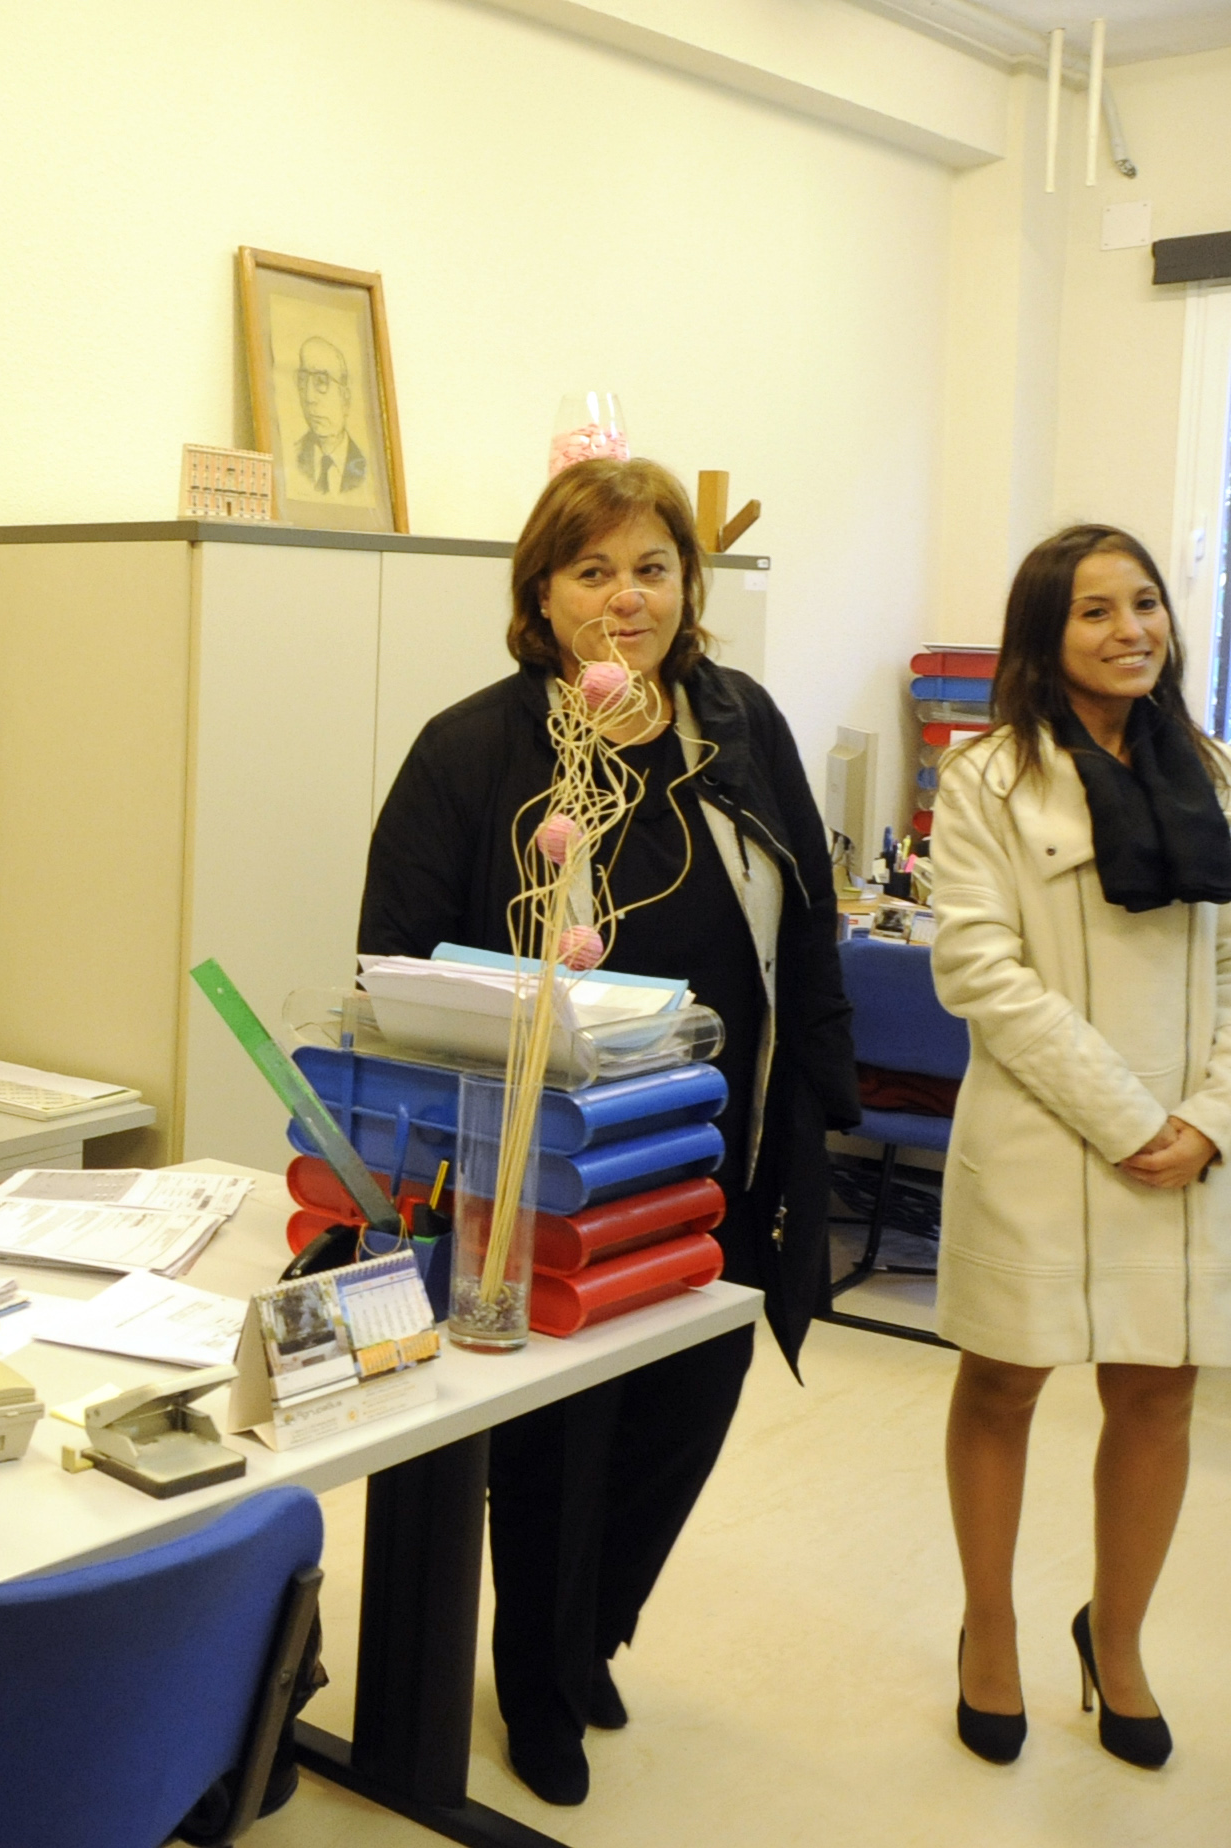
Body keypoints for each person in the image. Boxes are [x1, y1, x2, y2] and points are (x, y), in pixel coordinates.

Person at [357, 457, 856, 1805]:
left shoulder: (736, 724)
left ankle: (592, 1629)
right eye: (592, 572)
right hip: (544, 1175)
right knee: (557, 1442)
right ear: (541, 598)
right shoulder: (474, 750)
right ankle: (537, 1680)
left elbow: (808, 919)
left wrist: (822, 1106)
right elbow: (391, 962)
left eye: (651, 569)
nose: (624, 598)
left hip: (713, 1153)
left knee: (689, 1409)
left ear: (690, 588)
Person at [931, 523, 1227, 1772]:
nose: (1131, 630)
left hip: (1184, 1152)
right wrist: (1128, 1117)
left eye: (1145, 603)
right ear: (1044, 637)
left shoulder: (1212, 772)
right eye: (1096, 610)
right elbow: (977, 971)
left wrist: (1209, 1117)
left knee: (1159, 1392)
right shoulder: (986, 781)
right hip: (1044, 1139)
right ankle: (989, 1632)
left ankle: (1117, 1640)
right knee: (1004, 1384)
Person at [290, 334, 368, 498]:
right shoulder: (291, 459)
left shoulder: (367, 468)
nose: (309, 398)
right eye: (303, 380)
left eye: (321, 381)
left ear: (345, 397)